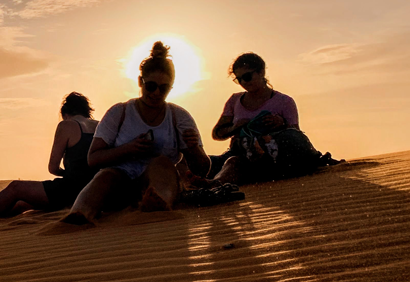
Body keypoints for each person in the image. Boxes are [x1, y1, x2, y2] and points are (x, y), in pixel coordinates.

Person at [63, 41, 211, 224]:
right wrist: (128, 149)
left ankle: (158, 207)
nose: (156, 93)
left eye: (163, 88)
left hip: (160, 181)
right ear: (141, 82)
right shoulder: (119, 112)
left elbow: (202, 169)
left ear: (171, 88)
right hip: (120, 183)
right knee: (106, 175)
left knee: (162, 162)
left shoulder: (178, 117)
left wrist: (194, 147)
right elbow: (93, 159)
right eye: (151, 86)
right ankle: (78, 216)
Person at [0, 93, 98, 228]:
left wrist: (67, 173)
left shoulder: (67, 125)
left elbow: (53, 167)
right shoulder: (101, 125)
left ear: (66, 113)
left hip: (73, 189)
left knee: (16, 188)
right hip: (97, 188)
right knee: (22, 204)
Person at [210, 53, 302, 184]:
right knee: (201, 162)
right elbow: (217, 133)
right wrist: (235, 127)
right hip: (238, 151)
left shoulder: (284, 101)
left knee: (233, 163)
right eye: (238, 79)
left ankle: (214, 185)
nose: (243, 83)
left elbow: (296, 136)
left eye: (247, 77)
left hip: (271, 157)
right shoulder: (234, 101)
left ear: (261, 72)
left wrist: (282, 123)